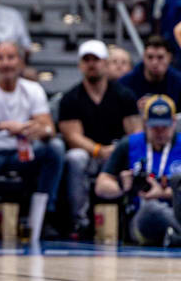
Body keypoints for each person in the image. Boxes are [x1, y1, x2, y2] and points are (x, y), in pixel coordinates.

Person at [0, 42, 64, 241]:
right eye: (0, 58)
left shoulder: (33, 89)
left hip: (22, 153)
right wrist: (1, 125)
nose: (6, 63)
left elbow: (49, 129)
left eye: (11, 58)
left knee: (55, 146)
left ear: (20, 62)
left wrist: (31, 128)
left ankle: (45, 214)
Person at [60, 39, 143, 238]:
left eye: (96, 59)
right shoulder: (71, 98)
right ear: (80, 65)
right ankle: (79, 220)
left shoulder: (124, 95)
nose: (91, 64)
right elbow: (72, 136)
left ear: (105, 63)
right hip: (91, 156)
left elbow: (136, 132)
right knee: (75, 157)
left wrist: (118, 151)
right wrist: (99, 150)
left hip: (118, 154)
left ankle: (135, 216)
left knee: (138, 155)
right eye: (86, 60)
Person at [95, 95, 181, 245]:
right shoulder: (129, 144)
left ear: (174, 122)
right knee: (152, 209)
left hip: (177, 212)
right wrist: (123, 186)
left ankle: (175, 236)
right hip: (141, 218)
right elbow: (101, 186)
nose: (160, 132)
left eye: (165, 126)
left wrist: (165, 193)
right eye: (155, 127)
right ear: (145, 122)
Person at [119, 35, 181, 111]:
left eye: (160, 57)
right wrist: (134, 108)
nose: (154, 62)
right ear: (143, 57)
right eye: (150, 57)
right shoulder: (125, 84)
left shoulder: (178, 82)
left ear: (169, 57)